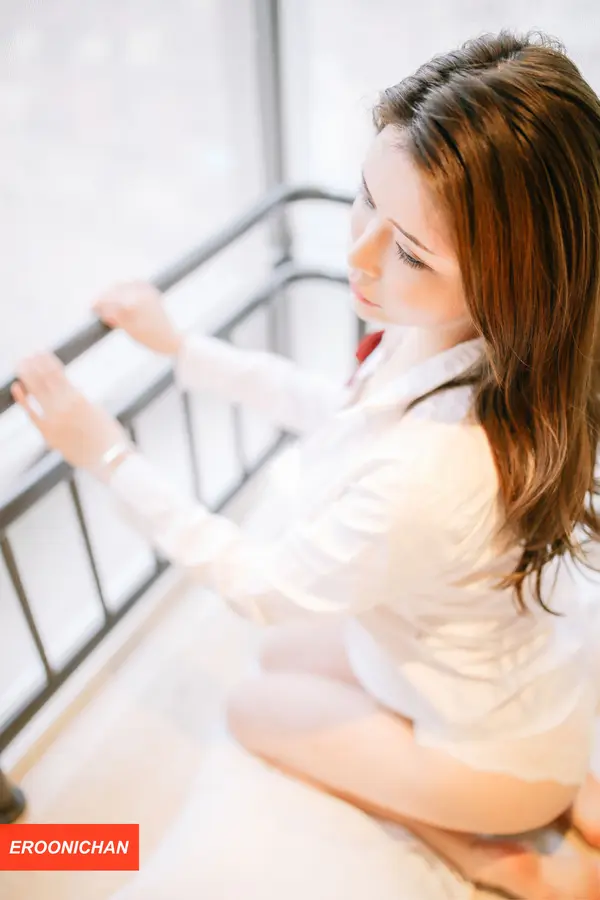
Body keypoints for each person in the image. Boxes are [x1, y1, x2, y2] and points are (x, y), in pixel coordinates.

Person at [11, 29, 600, 899]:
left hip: (499, 753)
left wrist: (106, 453)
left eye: (409, 252)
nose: (357, 255)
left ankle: (498, 851)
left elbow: (261, 584)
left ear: (512, 281)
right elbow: (339, 408)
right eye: (365, 197)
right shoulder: (465, 341)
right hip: (518, 692)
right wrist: (182, 348)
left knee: (251, 707)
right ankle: (559, 787)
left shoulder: (440, 468)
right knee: (286, 655)